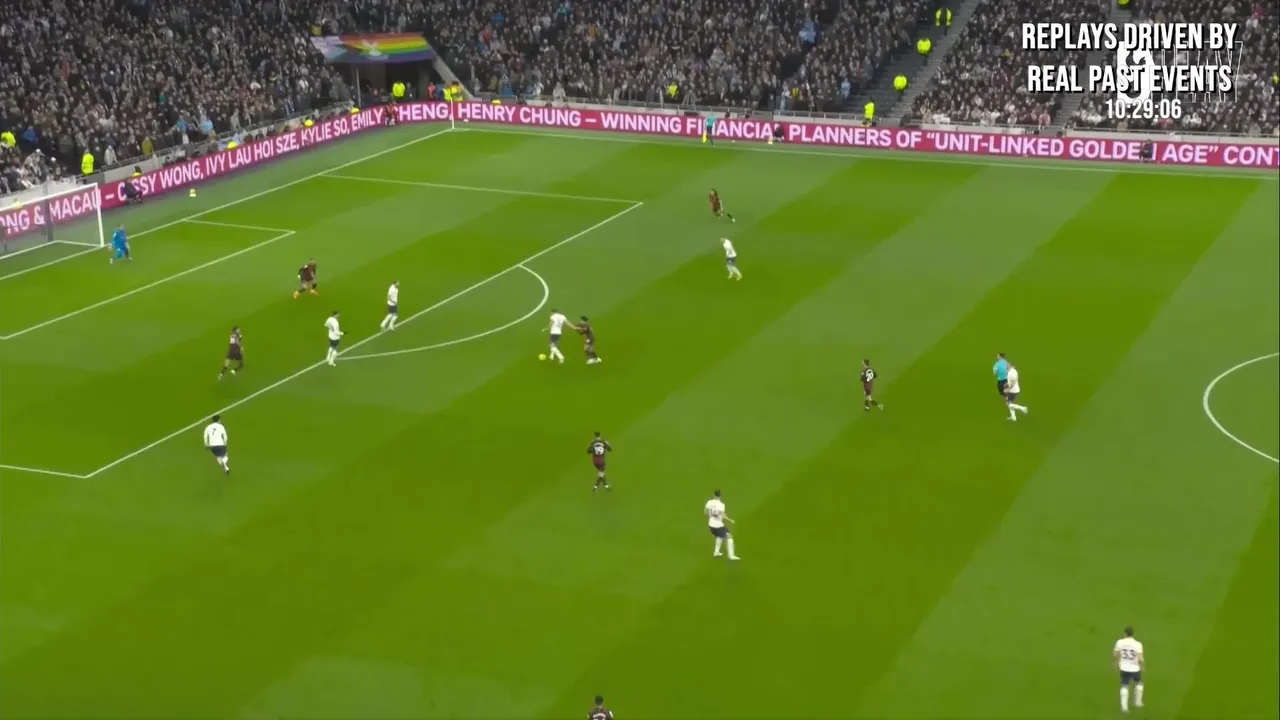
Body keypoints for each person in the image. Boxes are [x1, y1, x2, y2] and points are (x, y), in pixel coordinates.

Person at [1113, 626, 1144, 713]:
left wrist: (1115, 662)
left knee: (1124, 685)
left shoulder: (1119, 642)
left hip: (1124, 667)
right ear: (1133, 634)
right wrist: (1142, 666)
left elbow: (1115, 653)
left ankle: (1124, 707)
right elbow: (1141, 658)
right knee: (1139, 684)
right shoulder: (1138, 644)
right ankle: (1138, 703)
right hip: (1135, 668)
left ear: (1125, 633)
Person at [705, 490, 740, 560]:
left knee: (720, 536)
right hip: (718, 526)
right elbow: (723, 515)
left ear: (714, 495)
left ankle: (716, 552)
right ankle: (731, 556)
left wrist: (711, 516)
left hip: (711, 525)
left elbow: (705, 512)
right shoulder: (721, 505)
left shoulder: (709, 502)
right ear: (720, 496)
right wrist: (730, 520)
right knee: (729, 538)